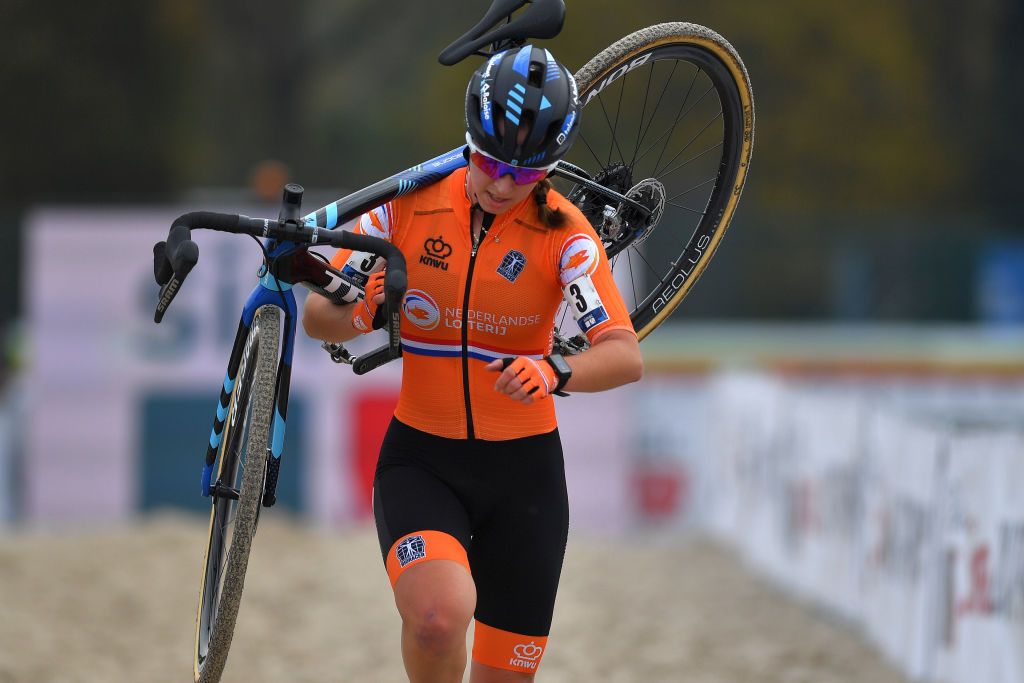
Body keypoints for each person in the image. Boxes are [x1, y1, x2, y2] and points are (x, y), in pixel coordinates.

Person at [303, 44, 642, 683]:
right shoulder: (407, 202)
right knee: (436, 619)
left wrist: (554, 372)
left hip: (526, 479)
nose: (502, 183)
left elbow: (623, 355)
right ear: (468, 138)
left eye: (527, 171)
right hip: (423, 461)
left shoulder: (566, 233)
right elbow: (319, 315)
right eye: (489, 161)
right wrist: (371, 307)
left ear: (552, 167)